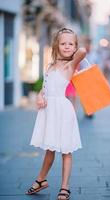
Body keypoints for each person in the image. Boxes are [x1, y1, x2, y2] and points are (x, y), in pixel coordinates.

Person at [26, 28, 86, 200]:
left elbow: (83, 51)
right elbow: (44, 88)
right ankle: (40, 180)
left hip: (63, 110)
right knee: (50, 149)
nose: (67, 46)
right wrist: (39, 97)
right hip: (49, 111)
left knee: (66, 150)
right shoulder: (51, 65)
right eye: (63, 43)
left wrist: (75, 47)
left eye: (70, 44)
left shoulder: (70, 65)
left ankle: (64, 188)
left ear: (75, 46)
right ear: (56, 45)